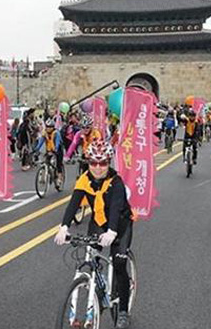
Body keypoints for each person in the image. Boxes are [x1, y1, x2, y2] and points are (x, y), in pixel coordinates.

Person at [54, 139, 133, 329]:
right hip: (98, 222)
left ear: (109, 162)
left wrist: (112, 232)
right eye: (93, 163)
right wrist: (64, 226)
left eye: (103, 163)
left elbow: (115, 209)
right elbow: (73, 204)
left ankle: (123, 310)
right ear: (88, 162)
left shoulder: (116, 183)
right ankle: (97, 283)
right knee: (91, 258)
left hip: (120, 225)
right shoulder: (84, 179)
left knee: (120, 263)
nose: (98, 168)